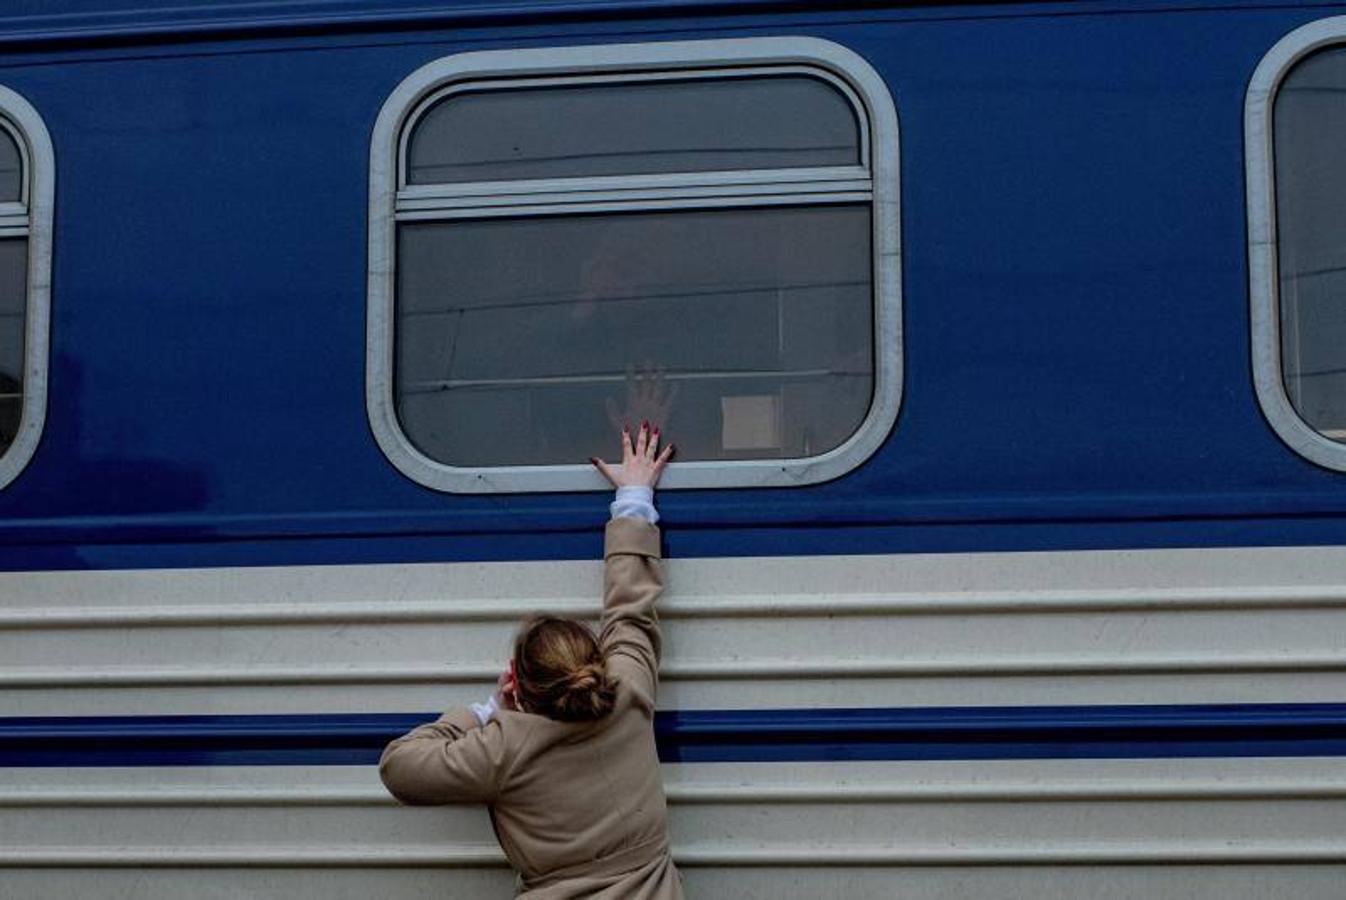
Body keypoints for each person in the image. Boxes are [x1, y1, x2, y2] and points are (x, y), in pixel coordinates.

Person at [379, 421, 681, 899]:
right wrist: (634, 499)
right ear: (594, 662)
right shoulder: (629, 688)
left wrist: (487, 711)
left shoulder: (503, 748)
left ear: (516, 684)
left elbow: (399, 768)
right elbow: (631, 610)